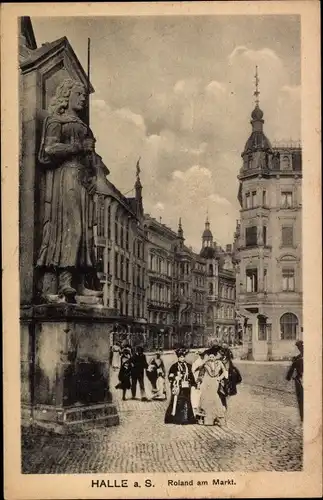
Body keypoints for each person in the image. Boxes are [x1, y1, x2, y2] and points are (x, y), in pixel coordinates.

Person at [36, 78, 103, 303]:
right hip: (65, 177)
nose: (83, 98)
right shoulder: (56, 120)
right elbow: (47, 150)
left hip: (83, 182)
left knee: (84, 232)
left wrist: (94, 177)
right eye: (79, 94)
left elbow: (91, 160)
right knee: (70, 227)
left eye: (84, 95)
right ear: (67, 94)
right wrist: (75, 147)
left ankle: (80, 283)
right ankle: (64, 281)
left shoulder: (85, 127)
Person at [197, 345, 228, 426]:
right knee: (208, 399)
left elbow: (225, 372)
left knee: (216, 398)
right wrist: (199, 382)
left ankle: (219, 418)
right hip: (207, 383)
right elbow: (201, 373)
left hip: (215, 382)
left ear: (215, 357)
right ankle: (208, 419)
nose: (211, 358)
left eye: (213, 357)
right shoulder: (206, 364)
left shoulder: (219, 363)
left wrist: (220, 378)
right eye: (210, 357)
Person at [164, 347, 196, 425]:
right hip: (178, 386)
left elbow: (191, 375)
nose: (182, 358)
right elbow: (170, 376)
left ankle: (187, 418)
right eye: (180, 357)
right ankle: (177, 418)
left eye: (183, 357)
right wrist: (175, 377)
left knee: (187, 401)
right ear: (178, 357)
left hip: (186, 386)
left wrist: (193, 383)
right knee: (178, 401)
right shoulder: (174, 366)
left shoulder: (188, 366)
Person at [286, 340, 304, 422]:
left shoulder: (297, 359)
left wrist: (289, 377)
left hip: (300, 381)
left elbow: (289, 374)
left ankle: (303, 417)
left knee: (301, 400)